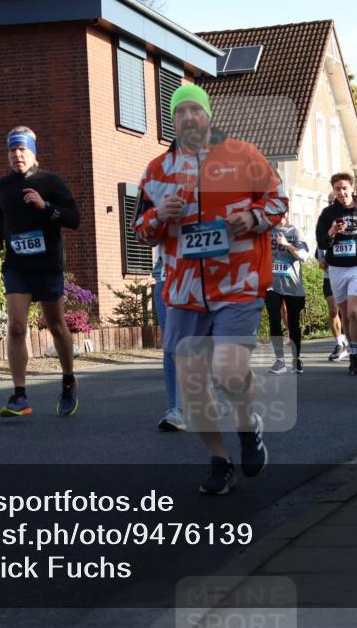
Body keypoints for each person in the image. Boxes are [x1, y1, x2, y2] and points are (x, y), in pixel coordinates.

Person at [134, 84, 286, 495]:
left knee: (230, 371)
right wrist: (159, 216)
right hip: (183, 292)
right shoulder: (156, 171)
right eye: (179, 111)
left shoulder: (243, 156)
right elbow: (142, 229)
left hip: (238, 283)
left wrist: (253, 218)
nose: (187, 117)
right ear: (173, 119)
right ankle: (220, 461)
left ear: (208, 115)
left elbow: (277, 201)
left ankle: (248, 426)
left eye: (194, 110)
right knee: (193, 387)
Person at [0, 126, 81, 418]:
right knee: (16, 327)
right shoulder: (2, 187)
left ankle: (68, 381)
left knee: (56, 325)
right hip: (17, 266)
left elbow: (74, 218)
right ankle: (19, 395)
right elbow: (0, 217)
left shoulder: (51, 181)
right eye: (13, 150)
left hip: (48, 265)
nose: (17, 155)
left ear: (32, 153)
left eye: (22, 149)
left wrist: (46, 206)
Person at [315, 173, 357, 376]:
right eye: (337, 189)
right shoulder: (327, 214)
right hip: (336, 269)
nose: (341, 193)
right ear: (333, 190)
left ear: (352, 188)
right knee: (344, 313)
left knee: (353, 311)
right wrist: (332, 231)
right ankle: (352, 350)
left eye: (344, 188)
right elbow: (321, 243)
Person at [266, 213, 309, 374]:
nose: (279, 217)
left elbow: (303, 256)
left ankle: (296, 359)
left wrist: (286, 244)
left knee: (293, 322)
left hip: (292, 285)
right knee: (274, 319)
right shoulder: (267, 232)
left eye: (282, 213)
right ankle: (280, 360)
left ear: (287, 214)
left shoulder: (294, 232)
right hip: (271, 285)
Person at [152, 252, 185, 431]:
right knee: (171, 347)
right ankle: (176, 409)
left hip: (199, 278)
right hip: (165, 279)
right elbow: (145, 233)